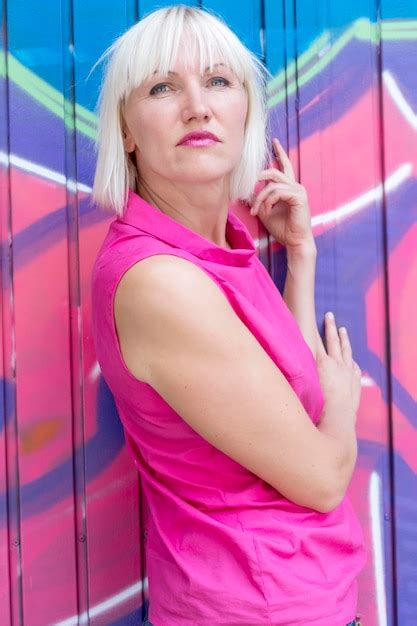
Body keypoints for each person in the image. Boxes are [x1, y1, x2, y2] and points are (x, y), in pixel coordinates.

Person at [90, 5, 367, 625]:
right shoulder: (161, 282)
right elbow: (322, 476)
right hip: (253, 607)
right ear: (126, 131)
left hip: (297, 596)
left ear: (247, 108)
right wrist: (344, 401)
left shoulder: (222, 250)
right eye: (163, 87)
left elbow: (290, 401)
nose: (197, 106)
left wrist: (298, 257)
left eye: (218, 81)